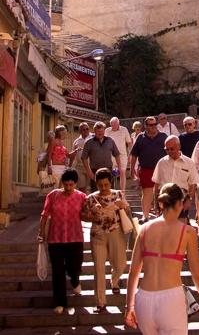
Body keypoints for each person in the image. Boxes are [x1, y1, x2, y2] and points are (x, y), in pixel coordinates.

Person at [125, 183, 199, 334]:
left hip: (144, 299)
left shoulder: (144, 229)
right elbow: (197, 273)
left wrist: (129, 307)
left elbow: (133, 272)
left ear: (161, 203)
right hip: (171, 298)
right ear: (180, 203)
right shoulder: (187, 232)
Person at [37, 168, 86, 315]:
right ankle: (59, 302)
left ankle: (75, 280)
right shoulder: (53, 196)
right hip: (55, 239)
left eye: (71, 185)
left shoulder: (82, 197)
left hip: (75, 238)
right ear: (62, 183)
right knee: (58, 272)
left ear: (76, 184)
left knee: (75, 267)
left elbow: (88, 214)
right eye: (66, 185)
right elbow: (44, 215)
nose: (69, 188)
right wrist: (41, 232)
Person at [83, 167, 130, 313]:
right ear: (96, 183)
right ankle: (100, 302)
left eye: (106, 184)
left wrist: (124, 207)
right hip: (98, 235)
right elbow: (83, 216)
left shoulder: (118, 195)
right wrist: (92, 213)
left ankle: (115, 280)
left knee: (121, 264)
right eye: (100, 185)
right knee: (98, 269)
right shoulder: (90, 198)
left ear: (111, 182)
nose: (103, 188)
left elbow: (128, 213)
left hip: (116, 232)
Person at [152, 136, 199, 222]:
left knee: (181, 224)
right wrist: (155, 204)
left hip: (181, 198)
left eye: (172, 149)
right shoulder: (161, 162)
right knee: (165, 226)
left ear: (179, 147)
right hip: (165, 198)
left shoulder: (189, 163)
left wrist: (189, 199)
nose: (169, 151)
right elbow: (156, 184)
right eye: (167, 149)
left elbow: (193, 183)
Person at [130, 116, 167, 223]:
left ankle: (161, 216)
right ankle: (145, 216)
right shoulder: (140, 138)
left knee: (162, 193)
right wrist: (132, 170)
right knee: (147, 194)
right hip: (146, 170)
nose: (154, 126)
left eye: (155, 124)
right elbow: (133, 155)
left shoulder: (163, 136)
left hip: (161, 169)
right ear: (145, 126)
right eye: (151, 125)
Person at [81, 121, 122, 192]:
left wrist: (119, 168)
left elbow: (117, 154)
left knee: (109, 193)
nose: (100, 133)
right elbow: (84, 158)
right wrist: (89, 172)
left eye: (102, 131)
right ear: (94, 131)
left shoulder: (110, 140)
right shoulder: (89, 143)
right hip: (95, 172)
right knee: (95, 193)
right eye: (98, 131)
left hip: (108, 171)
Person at [105, 116, 132, 191]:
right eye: (111, 125)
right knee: (110, 173)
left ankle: (122, 192)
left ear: (118, 124)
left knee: (122, 172)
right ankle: (111, 190)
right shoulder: (107, 130)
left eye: (114, 125)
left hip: (122, 155)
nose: (113, 127)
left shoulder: (124, 129)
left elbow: (129, 143)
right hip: (110, 155)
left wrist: (130, 154)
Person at [70, 122, 92, 193]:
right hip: (80, 167)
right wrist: (70, 166)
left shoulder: (93, 138)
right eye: (83, 129)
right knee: (82, 188)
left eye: (87, 129)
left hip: (91, 166)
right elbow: (72, 154)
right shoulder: (76, 141)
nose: (86, 130)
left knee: (91, 187)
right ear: (80, 131)